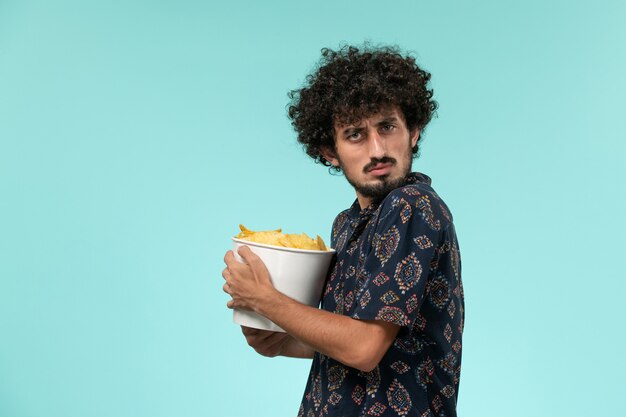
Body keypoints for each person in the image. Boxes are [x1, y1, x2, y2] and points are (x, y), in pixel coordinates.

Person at [222, 44, 464, 417]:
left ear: (413, 131)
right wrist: (280, 340)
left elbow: (364, 349)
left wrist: (265, 300)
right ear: (330, 152)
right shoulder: (347, 223)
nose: (378, 149)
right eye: (355, 135)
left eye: (387, 127)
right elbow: (351, 343)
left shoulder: (413, 205)